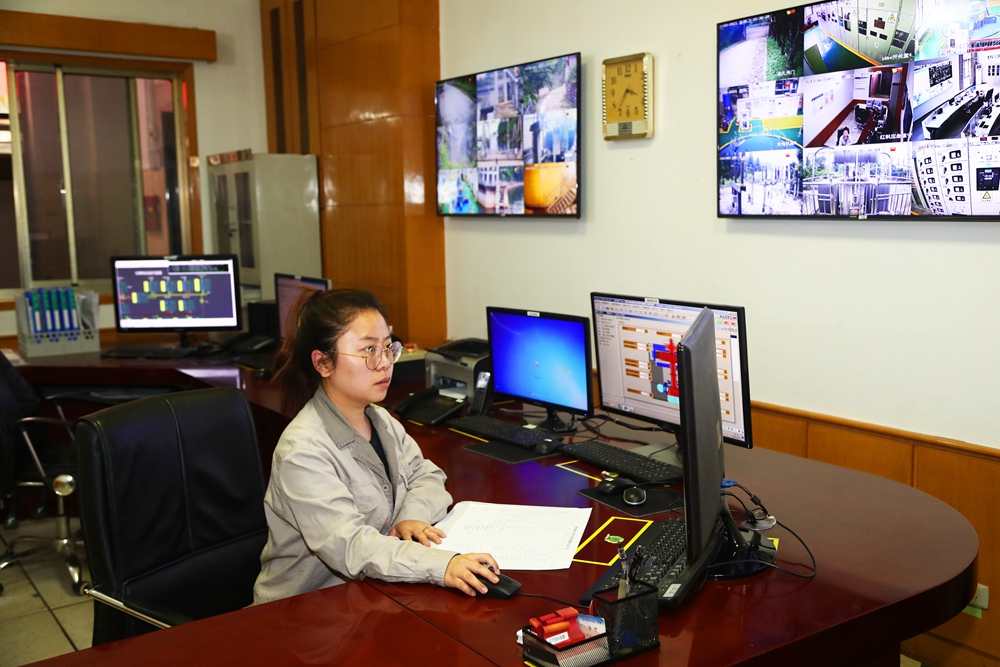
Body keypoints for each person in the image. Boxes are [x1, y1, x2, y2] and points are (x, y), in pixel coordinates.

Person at [253, 288, 500, 604]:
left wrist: (411, 519)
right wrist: (442, 565)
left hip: (374, 594)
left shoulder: (380, 419)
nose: (384, 363)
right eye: (368, 349)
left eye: (388, 347)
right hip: (307, 610)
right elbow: (352, 547)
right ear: (323, 363)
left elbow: (426, 476)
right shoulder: (303, 452)